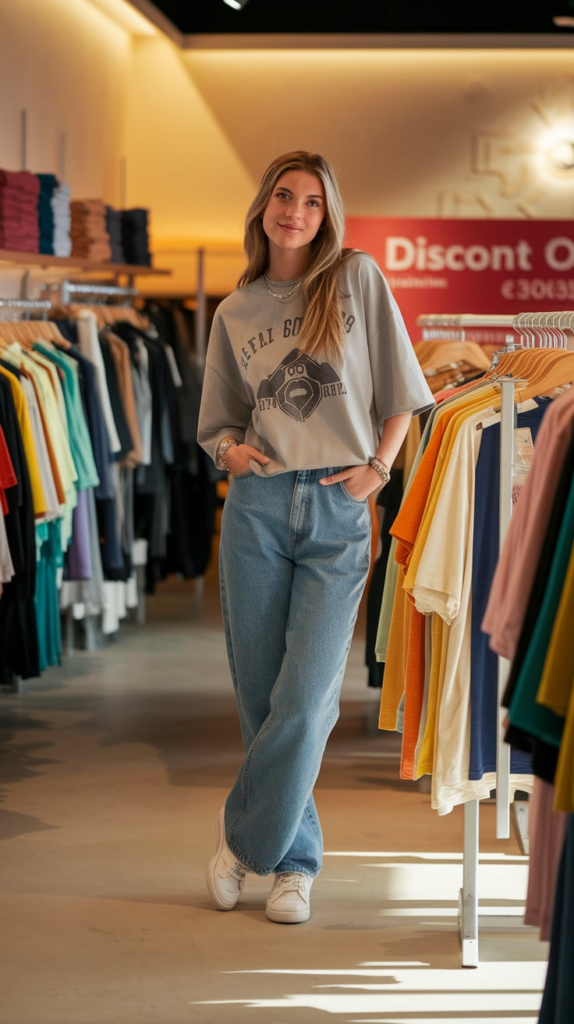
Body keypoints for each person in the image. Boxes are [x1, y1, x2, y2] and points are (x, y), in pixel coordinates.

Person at [197, 150, 434, 925]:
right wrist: (229, 452)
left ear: (329, 213)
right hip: (258, 507)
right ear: (263, 206)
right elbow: (219, 424)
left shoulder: (356, 278)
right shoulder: (235, 311)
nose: (295, 210)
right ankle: (294, 864)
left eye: (311, 200)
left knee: (307, 699)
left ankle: (244, 846)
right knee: (262, 695)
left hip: (337, 504)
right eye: (283, 195)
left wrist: (380, 467)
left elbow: (403, 392)